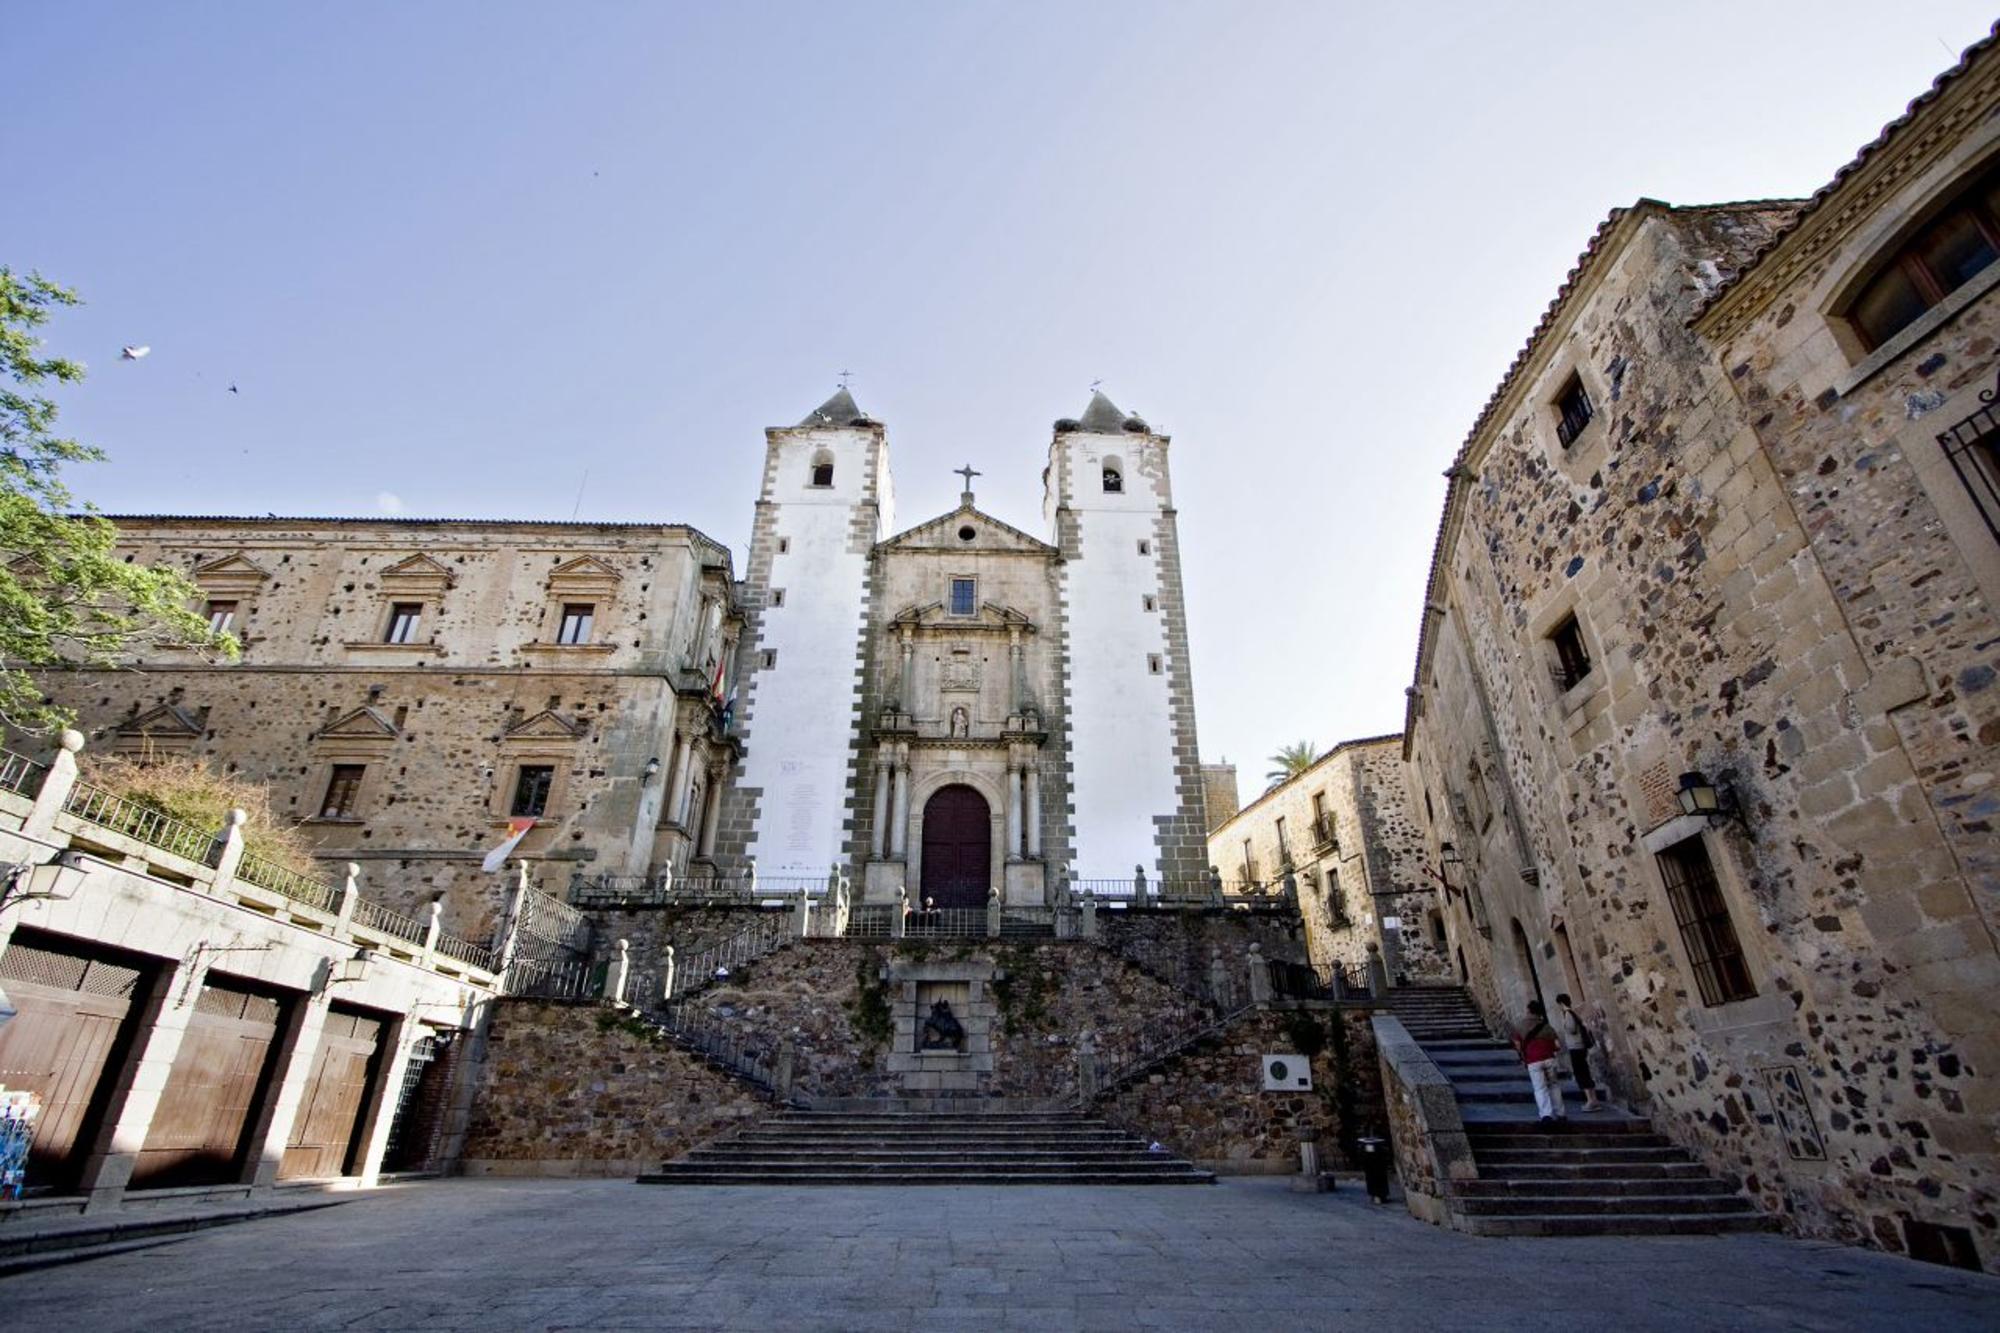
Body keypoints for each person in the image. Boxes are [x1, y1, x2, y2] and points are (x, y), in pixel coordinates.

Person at [1511, 1000, 1567, 1124]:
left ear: (1529, 1010)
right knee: (1554, 1085)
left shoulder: (1521, 1025)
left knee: (1540, 1088)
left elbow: (1517, 1044)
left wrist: (1522, 1055)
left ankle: (1546, 1115)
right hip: (1549, 1058)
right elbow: (1557, 1044)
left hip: (1533, 1060)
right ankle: (1561, 1113)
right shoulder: (1546, 1026)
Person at [1555, 992, 1605, 1111]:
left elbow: (1571, 1029)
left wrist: (1564, 1026)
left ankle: (1591, 1101)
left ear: (1561, 1003)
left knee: (1581, 1073)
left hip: (1576, 1047)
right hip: (1579, 1046)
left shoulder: (1567, 1013)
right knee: (1584, 1072)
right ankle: (1593, 1099)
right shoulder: (1573, 1013)